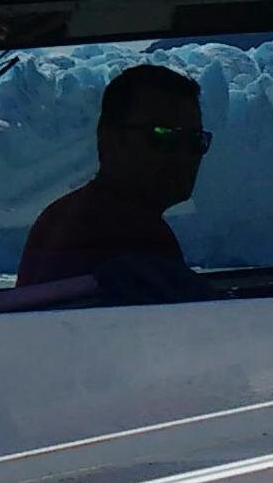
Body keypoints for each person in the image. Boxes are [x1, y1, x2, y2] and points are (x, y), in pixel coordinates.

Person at [12, 62, 212, 304]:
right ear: (110, 139)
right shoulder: (127, 236)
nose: (184, 156)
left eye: (194, 140)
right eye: (162, 136)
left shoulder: (64, 215)